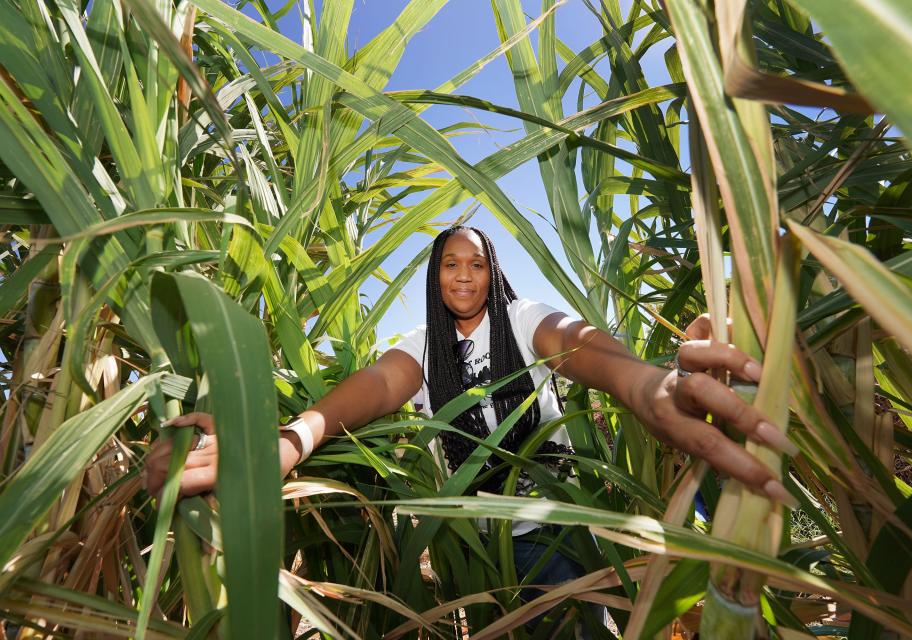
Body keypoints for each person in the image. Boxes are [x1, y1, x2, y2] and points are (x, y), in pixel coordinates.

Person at [145, 226, 796, 628]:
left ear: (493, 274)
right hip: (476, 555)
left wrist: (648, 388)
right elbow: (373, 388)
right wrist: (283, 442)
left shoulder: (522, 319)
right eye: (450, 264)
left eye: (476, 264)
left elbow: (590, 352)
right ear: (436, 275)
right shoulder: (420, 346)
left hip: (558, 535)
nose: (463, 274)